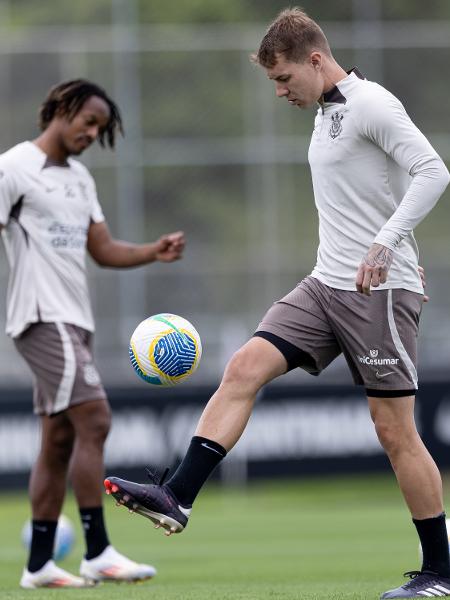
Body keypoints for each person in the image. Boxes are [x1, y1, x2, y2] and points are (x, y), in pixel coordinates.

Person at [104, 8, 450, 599]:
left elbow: (431, 170)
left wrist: (388, 244)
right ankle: (177, 496)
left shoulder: (372, 104)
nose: (280, 91)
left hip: (378, 293)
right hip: (323, 285)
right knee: (243, 368)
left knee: (394, 431)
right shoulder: (325, 114)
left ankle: (440, 571)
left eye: (284, 79)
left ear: (315, 60)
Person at [0, 79, 186, 588]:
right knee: (96, 417)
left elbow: (101, 249)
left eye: (100, 128)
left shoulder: (80, 179)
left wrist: (153, 250)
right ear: (61, 108)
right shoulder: (13, 167)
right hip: (40, 317)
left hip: (74, 321)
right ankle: (98, 551)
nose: (92, 132)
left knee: (59, 440)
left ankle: (38, 565)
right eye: (88, 120)